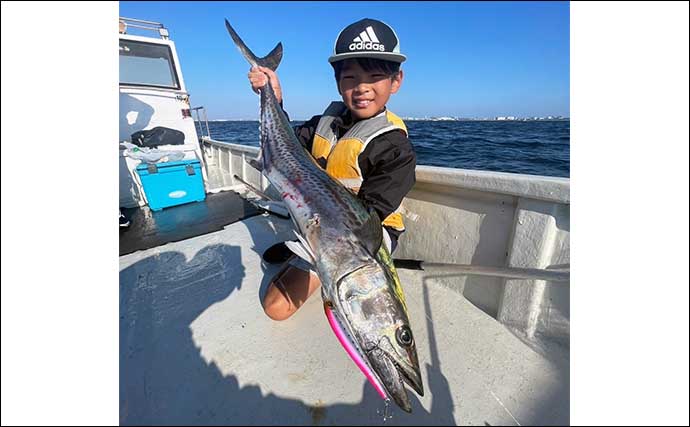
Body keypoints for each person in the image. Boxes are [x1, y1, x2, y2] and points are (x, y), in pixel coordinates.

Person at [248, 18, 416, 321]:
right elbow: (287, 143)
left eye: (375, 77)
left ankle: (307, 256)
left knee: (277, 308)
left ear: (396, 81)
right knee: (274, 306)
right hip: (319, 224)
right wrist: (274, 96)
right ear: (338, 83)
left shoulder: (395, 148)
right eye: (350, 78)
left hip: (365, 239)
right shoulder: (323, 123)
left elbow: (368, 219)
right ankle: (304, 253)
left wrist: (324, 251)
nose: (362, 88)